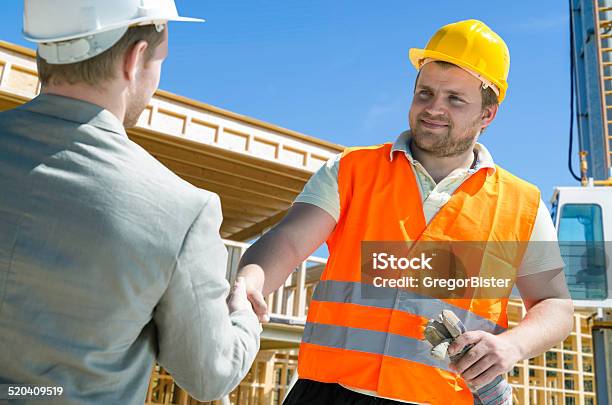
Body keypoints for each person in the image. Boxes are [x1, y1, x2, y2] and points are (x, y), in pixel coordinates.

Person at [233, 19, 574, 404]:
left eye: (454, 99)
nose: (433, 109)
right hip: (328, 394)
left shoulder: (523, 204)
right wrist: (252, 278)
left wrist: (513, 345)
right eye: (425, 93)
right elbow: (290, 240)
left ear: (487, 114)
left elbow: (555, 306)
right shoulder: (351, 170)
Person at [0, 1, 260, 404]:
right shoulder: (181, 209)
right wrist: (243, 314)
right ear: (135, 59)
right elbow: (211, 375)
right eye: (161, 60)